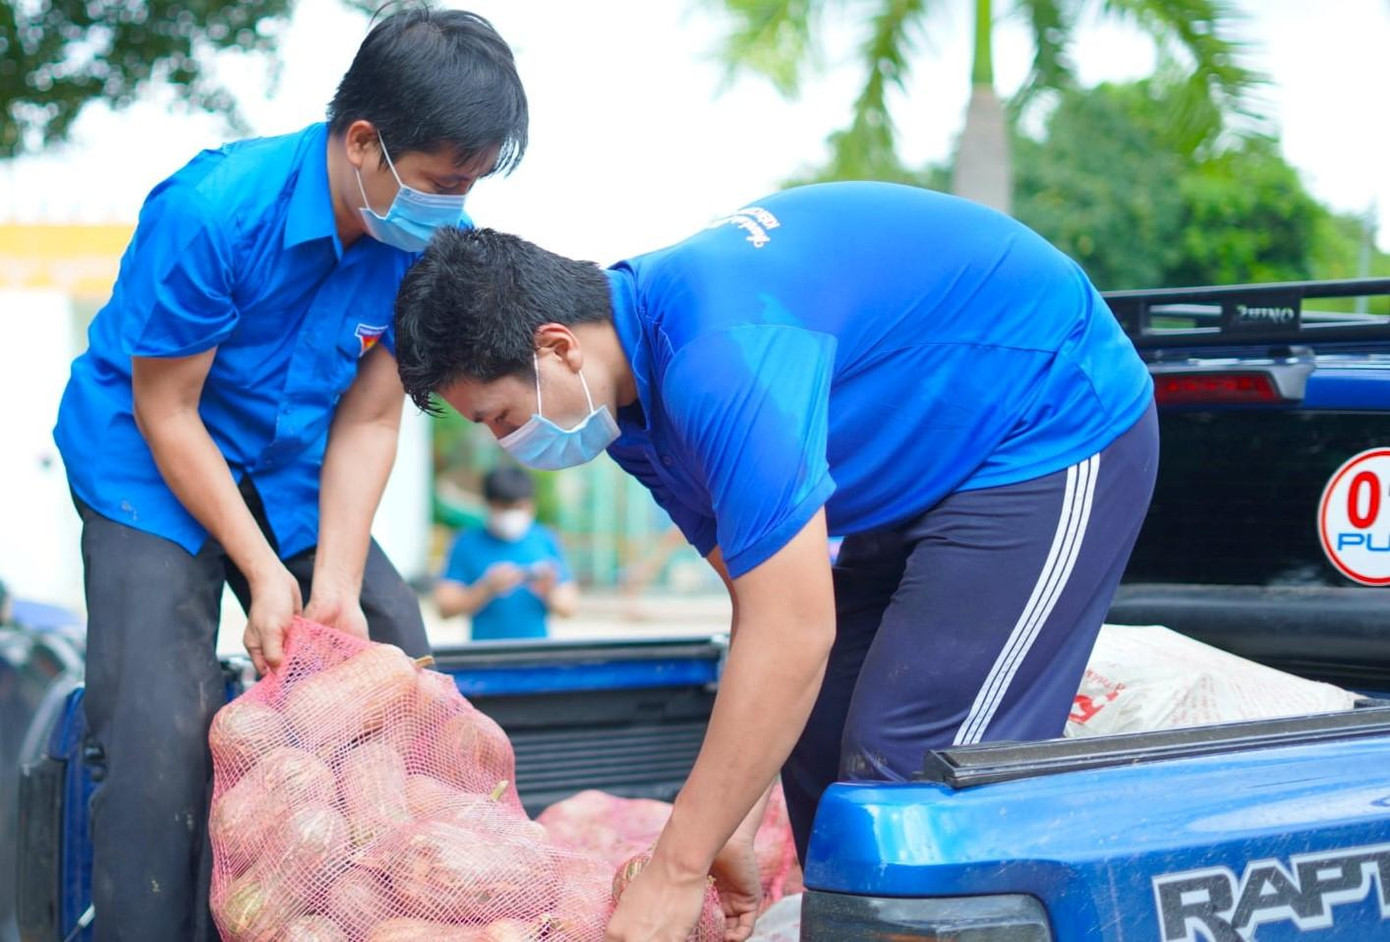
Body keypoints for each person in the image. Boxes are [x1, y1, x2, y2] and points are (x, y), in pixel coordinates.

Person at [393, 181, 1158, 941]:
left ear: (557, 347)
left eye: (500, 416)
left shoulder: (719, 355)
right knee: (822, 758)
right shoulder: (628, 415)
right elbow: (760, 602)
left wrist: (677, 867)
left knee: (913, 772)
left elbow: (795, 631)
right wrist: (733, 815)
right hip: (923, 472)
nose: (507, 443)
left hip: (1045, 422)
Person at [50, 9, 527, 939]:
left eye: (470, 185)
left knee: (394, 663)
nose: (454, 207)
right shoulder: (213, 211)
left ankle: (383, 912)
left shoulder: (427, 244)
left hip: (297, 459)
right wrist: (266, 577)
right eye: (442, 182)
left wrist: (335, 588)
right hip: (149, 462)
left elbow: (372, 414)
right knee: (159, 736)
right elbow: (168, 411)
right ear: (362, 143)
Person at [434, 465, 578, 639]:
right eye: (504, 508)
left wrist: (548, 590)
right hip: (485, 654)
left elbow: (569, 608)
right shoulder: (466, 542)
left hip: (536, 653)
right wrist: (487, 588)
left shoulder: (545, 540)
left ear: (530, 505)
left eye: (518, 507)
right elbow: (444, 608)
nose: (511, 514)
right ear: (488, 504)